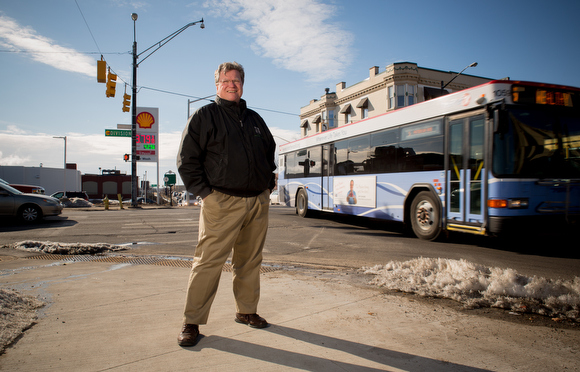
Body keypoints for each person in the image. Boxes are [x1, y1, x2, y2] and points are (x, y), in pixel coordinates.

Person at [176, 62, 277, 347]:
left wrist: (267, 186)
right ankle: (191, 322)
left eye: (237, 80)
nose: (232, 84)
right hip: (221, 201)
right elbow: (187, 159)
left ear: (243, 84)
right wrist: (205, 194)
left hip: (256, 202)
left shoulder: (255, 119)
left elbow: (269, 154)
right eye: (226, 80)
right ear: (217, 84)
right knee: (208, 262)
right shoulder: (205, 116)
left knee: (250, 261)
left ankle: (246, 311)